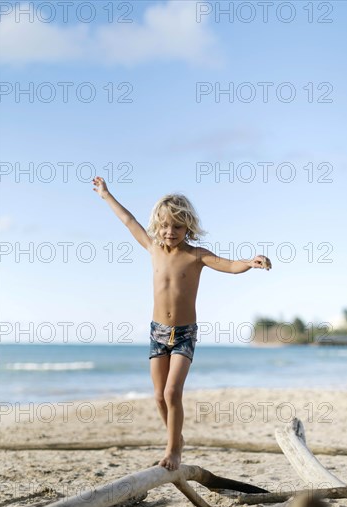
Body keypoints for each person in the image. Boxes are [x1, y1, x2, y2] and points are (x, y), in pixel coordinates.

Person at [92, 177, 272, 470]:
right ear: (157, 226)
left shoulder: (196, 255)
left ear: (188, 226)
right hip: (157, 332)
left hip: (184, 333)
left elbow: (228, 265)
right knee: (158, 397)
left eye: (177, 226)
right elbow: (128, 220)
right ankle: (176, 439)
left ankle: (173, 450)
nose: (169, 232)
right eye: (164, 226)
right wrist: (106, 194)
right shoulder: (153, 248)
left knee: (172, 392)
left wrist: (250, 263)